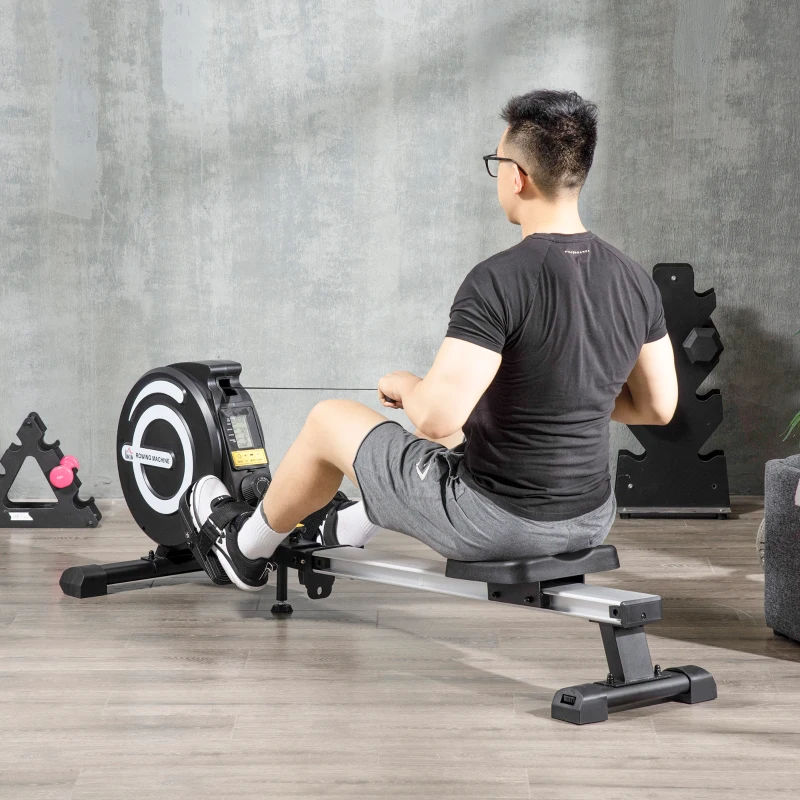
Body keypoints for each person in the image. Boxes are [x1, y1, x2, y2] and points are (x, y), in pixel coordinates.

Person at [184, 89, 678, 592]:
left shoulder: (499, 279)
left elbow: (435, 414)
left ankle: (244, 549)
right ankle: (345, 527)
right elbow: (658, 407)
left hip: (500, 523)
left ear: (517, 176)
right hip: (590, 515)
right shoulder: (634, 279)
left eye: (497, 162)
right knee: (448, 435)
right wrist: (561, 398)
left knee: (329, 421)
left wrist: (408, 384)